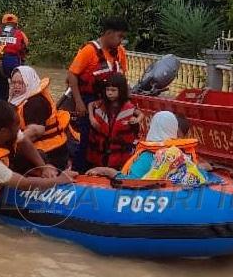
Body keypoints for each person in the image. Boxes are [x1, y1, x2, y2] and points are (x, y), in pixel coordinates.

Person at [67, 17, 129, 172]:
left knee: (108, 138)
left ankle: (103, 168)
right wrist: (79, 102)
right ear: (108, 33)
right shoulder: (89, 50)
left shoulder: (120, 52)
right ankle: (78, 170)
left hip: (110, 101)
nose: (121, 41)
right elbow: (72, 75)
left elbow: (122, 77)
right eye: (119, 36)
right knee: (86, 138)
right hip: (88, 98)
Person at [87, 111, 206, 182]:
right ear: (174, 129)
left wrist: (107, 171)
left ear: (153, 126)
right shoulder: (183, 153)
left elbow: (131, 182)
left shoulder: (149, 155)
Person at [8, 66, 71, 171]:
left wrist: (10, 144)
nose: (16, 86)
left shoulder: (35, 102)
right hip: (40, 148)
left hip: (50, 153)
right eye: (14, 83)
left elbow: (35, 132)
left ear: (29, 82)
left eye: (20, 83)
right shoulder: (20, 99)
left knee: (9, 158)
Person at [85, 73, 141, 171]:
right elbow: (90, 105)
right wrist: (91, 118)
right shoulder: (101, 103)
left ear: (121, 91)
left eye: (113, 90)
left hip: (118, 160)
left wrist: (137, 119)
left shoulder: (128, 107)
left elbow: (141, 114)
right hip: (99, 158)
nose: (109, 93)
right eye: (107, 90)